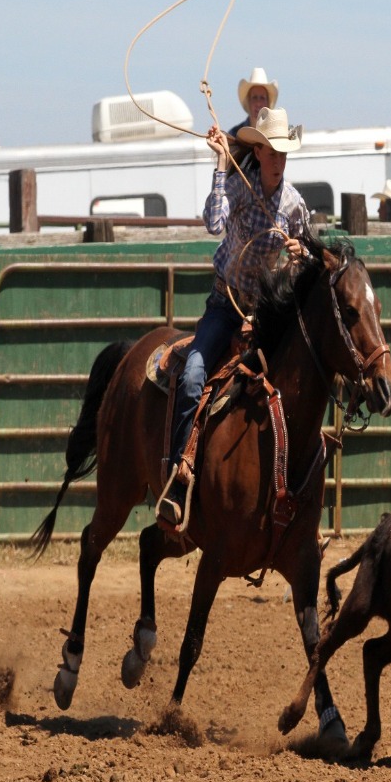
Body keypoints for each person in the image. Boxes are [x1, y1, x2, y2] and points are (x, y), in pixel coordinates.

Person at [158, 107, 310, 527]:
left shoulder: (294, 205)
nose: (278, 160)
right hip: (225, 307)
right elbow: (213, 222)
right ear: (258, 152)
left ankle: (287, 488)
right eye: (272, 151)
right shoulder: (240, 188)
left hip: (264, 314)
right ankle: (178, 474)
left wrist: (302, 252)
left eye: (284, 152)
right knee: (192, 376)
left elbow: (309, 250)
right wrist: (222, 167)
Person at [228, 67, 279, 137]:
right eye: (254, 98)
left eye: (262, 98)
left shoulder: (277, 135)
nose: (258, 103)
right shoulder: (234, 134)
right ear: (248, 102)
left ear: (268, 103)